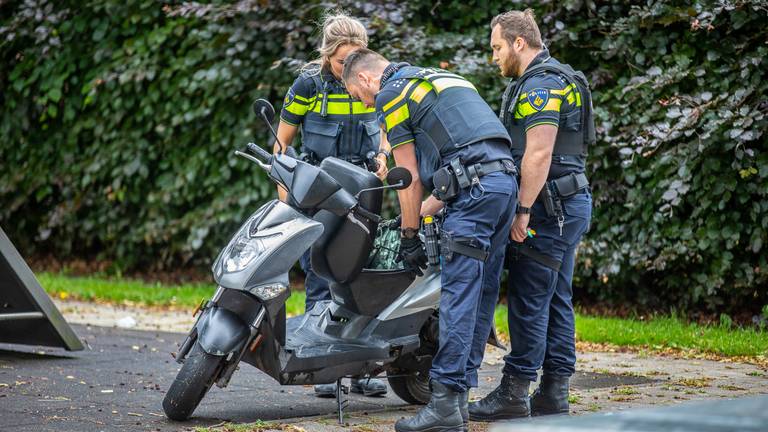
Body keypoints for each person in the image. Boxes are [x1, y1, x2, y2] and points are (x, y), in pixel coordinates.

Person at [343, 49, 518, 432]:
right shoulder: (443, 79)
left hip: (473, 196)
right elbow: (467, 156)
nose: (366, 104)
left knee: (457, 295)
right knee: (482, 293)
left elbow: (407, 176)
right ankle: (458, 403)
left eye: (359, 97)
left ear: (366, 80)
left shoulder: (393, 94)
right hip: (503, 186)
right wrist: (424, 212)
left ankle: (443, 405)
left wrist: (408, 234)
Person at [468, 9, 594, 421]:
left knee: (528, 298)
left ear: (519, 43)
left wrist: (521, 209)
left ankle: (515, 391)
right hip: (567, 203)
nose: (494, 57)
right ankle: (554, 391)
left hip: (548, 209)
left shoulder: (540, 85)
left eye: (497, 47)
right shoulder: (560, 76)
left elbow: (538, 153)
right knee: (556, 296)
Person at [274, 11, 389, 398]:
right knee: (321, 280)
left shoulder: (373, 79)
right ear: (327, 56)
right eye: (343, 61)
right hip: (319, 193)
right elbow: (282, 145)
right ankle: (323, 370)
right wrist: (286, 198)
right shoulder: (308, 84)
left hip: (363, 193)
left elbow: (389, 130)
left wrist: (385, 157)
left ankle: (360, 372)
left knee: (361, 281)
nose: (351, 68)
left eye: (356, 58)